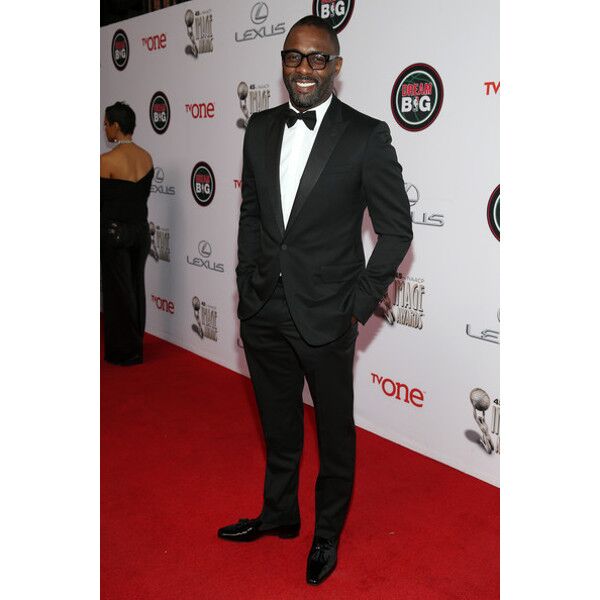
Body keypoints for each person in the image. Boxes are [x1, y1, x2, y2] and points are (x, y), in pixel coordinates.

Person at [218, 16, 413, 585]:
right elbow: (252, 214)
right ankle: (280, 513)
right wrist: (246, 280)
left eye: (317, 58)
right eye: (293, 56)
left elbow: (396, 231)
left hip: (328, 313)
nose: (304, 68)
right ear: (282, 62)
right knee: (278, 423)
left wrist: (356, 305)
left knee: (333, 432)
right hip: (263, 308)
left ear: (336, 66)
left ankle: (327, 531)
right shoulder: (259, 127)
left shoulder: (365, 135)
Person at [100, 102, 153, 365]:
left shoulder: (106, 161)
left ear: (116, 125)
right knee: (135, 288)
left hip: (114, 236)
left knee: (117, 294)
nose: (104, 128)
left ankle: (124, 352)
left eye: (106, 124)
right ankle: (136, 346)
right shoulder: (146, 157)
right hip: (140, 234)